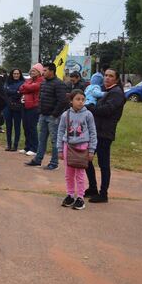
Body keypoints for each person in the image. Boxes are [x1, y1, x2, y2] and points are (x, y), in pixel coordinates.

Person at [85, 68, 125, 203]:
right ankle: (92, 188)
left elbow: (106, 110)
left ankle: (103, 193)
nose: (107, 78)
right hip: (96, 131)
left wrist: (90, 107)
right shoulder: (106, 91)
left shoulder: (116, 93)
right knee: (86, 159)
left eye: (111, 76)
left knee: (103, 164)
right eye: (106, 75)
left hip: (104, 133)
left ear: (117, 79)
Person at [57, 89, 97, 210]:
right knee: (68, 174)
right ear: (71, 101)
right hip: (68, 146)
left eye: (82, 100)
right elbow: (60, 131)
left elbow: (93, 132)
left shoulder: (88, 114)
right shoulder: (65, 115)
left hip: (82, 147)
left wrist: (91, 150)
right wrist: (59, 148)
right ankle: (70, 195)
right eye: (77, 99)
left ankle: (80, 197)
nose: (80, 102)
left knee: (79, 174)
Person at [25, 62, 68, 170]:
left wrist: (54, 114)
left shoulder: (59, 84)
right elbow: (40, 98)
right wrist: (40, 110)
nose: (43, 72)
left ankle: (54, 163)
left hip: (53, 117)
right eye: (43, 70)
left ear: (52, 71)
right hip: (43, 115)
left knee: (54, 141)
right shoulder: (43, 83)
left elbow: (62, 101)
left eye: (45, 70)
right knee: (42, 139)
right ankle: (38, 160)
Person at [19, 63, 44, 157]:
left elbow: (33, 87)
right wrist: (27, 87)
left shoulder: (41, 80)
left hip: (34, 106)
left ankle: (34, 148)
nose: (32, 72)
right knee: (25, 126)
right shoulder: (29, 80)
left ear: (39, 72)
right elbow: (21, 88)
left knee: (32, 127)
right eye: (32, 70)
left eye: (34, 70)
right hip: (25, 105)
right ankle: (27, 146)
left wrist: (27, 87)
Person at [2, 68, 24, 152]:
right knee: (8, 126)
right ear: (12, 74)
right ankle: (9, 144)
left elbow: (20, 93)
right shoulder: (7, 82)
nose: (16, 75)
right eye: (14, 73)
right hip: (7, 106)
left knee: (17, 126)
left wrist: (11, 92)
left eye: (18, 74)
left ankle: (15, 145)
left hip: (17, 106)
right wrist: (15, 92)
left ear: (20, 74)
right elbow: (5, 91)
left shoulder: (22, 82)